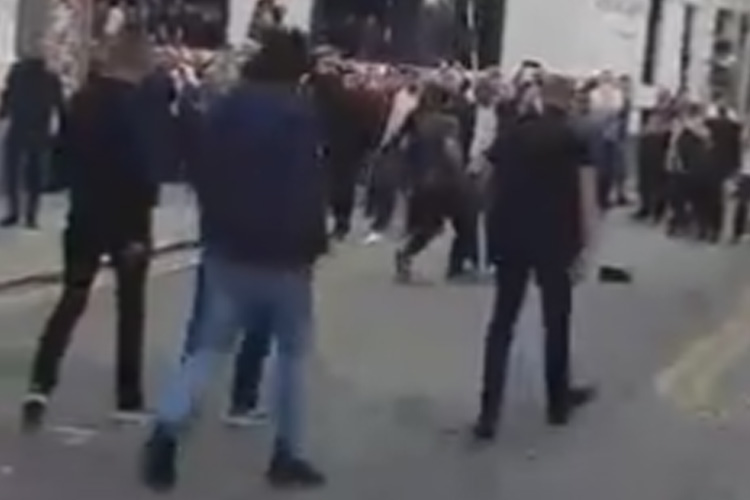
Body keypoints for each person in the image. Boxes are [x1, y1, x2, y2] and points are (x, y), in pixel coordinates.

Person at [141, 30, 327, 492]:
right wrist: (312, 243)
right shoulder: (299, 116)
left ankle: (167, 426)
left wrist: (215, 223)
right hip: (284, 254)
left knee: (206, 349)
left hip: (228, 247)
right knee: (291, 358)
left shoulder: (226, 107)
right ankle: (287, 452)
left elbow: (203, 169)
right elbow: (305, 187)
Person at [21, 30, 157, 431]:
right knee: (130, 309)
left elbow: (61, 161)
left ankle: (40, 384)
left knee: (72, 299)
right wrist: (138, 225)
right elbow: (139, 170)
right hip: (126, 221)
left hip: (84, 217)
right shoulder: (138, 106)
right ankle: (127, 397)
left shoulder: (82, 100)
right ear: (139, 63)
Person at [473, 74, 598, 441]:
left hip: (511, 236)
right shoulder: (576, 139)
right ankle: (558, 403)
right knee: (555, 321)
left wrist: (489, 225)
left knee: (502, 322)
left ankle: (488, 412)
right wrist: (586, 246)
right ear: (570, 101)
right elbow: (586, 194)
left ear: (541, 99)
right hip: (556, 241)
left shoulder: (513, 130)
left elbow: (485, 175)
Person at [394, 83, 467, 281]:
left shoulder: (416, 117)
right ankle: (409, 255)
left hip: (420, 178)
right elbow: (451, 151)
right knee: (455, 222)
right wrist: (461, 172)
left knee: (428, 224)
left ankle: (406, 256)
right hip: (443, 179)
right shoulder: (448, 123)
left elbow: (403, 145)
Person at [0, 51, 64, 228]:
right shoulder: (51, 79)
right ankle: (31, 216)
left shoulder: (17, 74)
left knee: (12, 172)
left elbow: (7, 98)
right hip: (39, 131)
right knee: (35, 176)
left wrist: (4, 114)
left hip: (18, 128)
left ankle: (13, 212)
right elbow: (60, 106)